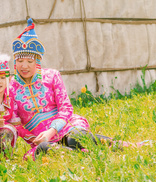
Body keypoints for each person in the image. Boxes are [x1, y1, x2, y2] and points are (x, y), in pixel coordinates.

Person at [10, 18, 144, 160]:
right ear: (15, 62)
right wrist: (34, 139)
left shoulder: (52, 76)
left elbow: (66, 108)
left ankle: (122, 146)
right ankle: (83, 153)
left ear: (37, 62)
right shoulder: (11, 87)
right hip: (41, 139)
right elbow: (15, 123)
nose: (24, 66)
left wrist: (52, 131)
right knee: (43, 150)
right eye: (20, 61)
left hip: (65, 126)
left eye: (29, 62)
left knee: (76, 137)